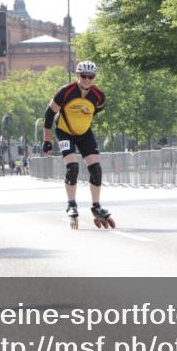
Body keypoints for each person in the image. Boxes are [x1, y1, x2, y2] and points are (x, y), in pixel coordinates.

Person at [42, 60, 113, 229]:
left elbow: (94, 111)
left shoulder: (99, 96)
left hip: (84, 133)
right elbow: (49, 114)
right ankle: (71, 204)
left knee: (96, 168)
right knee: (72, 167)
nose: (87, 80)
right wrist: (47, 139)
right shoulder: (65, 92)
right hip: (64, 131)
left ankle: (96, 206)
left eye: (91, 76)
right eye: (84, 76)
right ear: (77, 76)